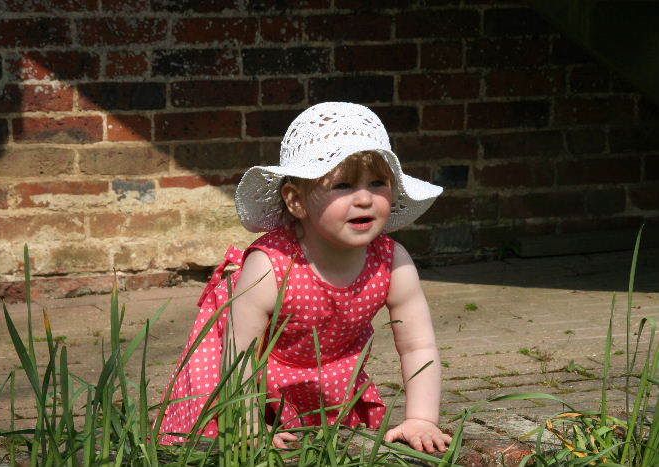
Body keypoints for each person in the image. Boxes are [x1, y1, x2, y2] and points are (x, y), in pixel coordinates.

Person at [159, 102, 451, 454]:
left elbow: (418, 346)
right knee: (213, 437)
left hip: (321, 368)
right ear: (297, 201)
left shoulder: (392, 262)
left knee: (319, 439)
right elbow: (239, 353)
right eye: (343, 185)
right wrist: (247, 426)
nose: (364, 198)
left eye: (378, 183)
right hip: (240, 364)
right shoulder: (270, 266)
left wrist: (421, 418)